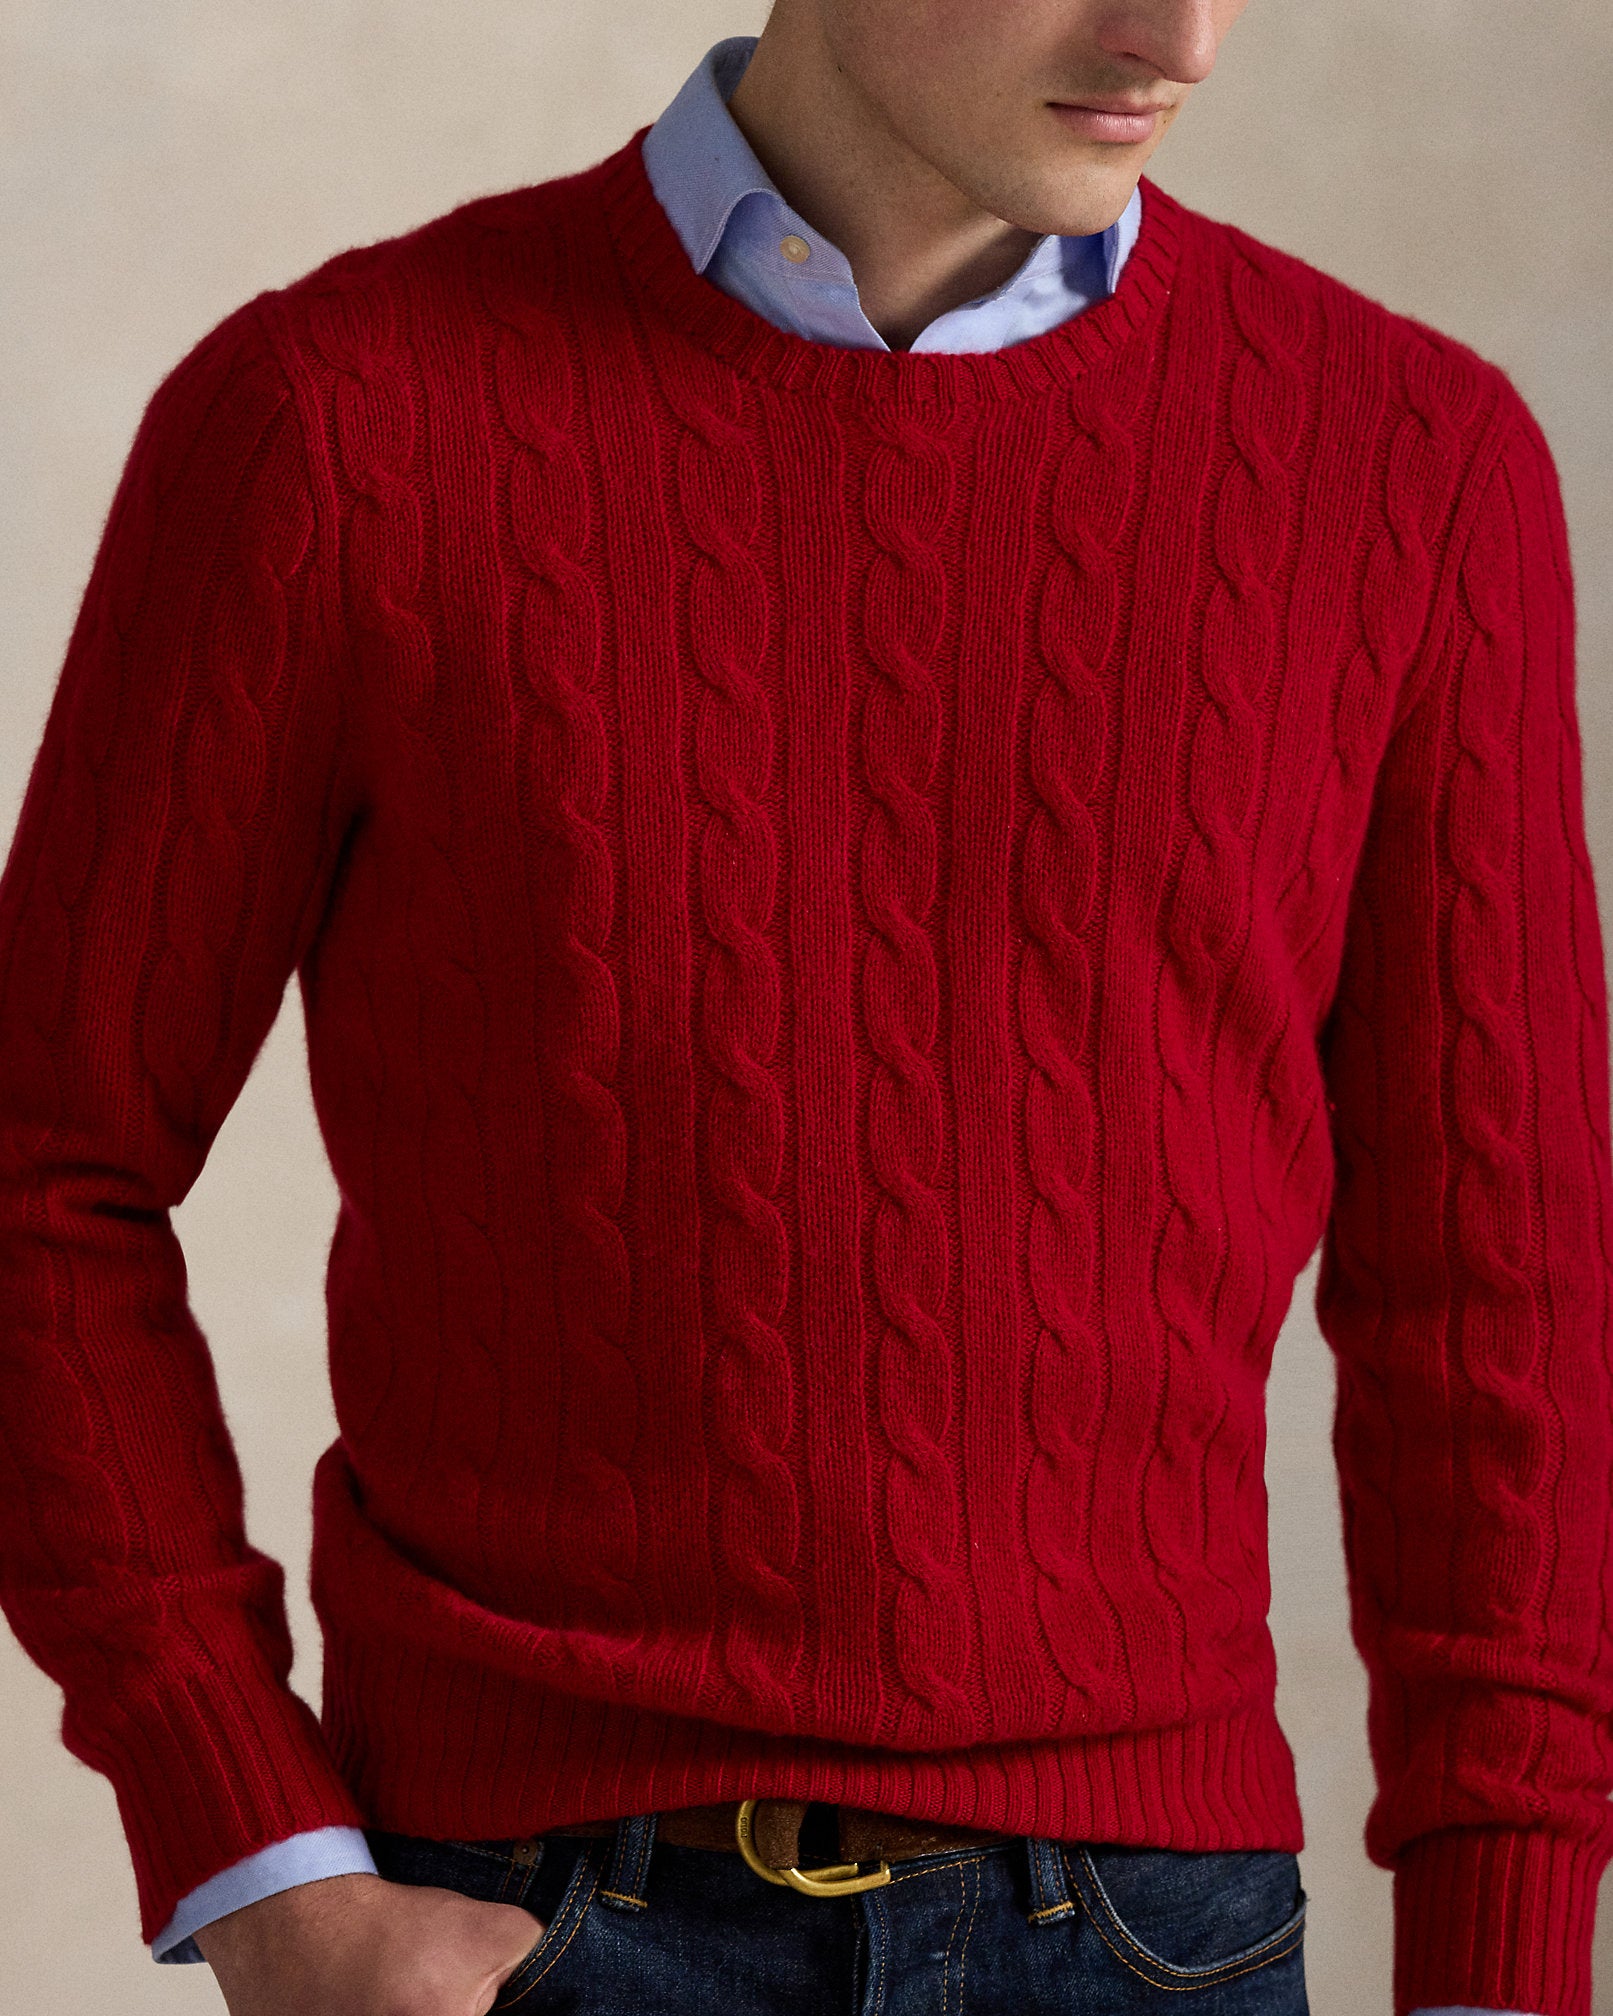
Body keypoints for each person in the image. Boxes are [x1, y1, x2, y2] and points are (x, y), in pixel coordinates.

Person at [0, 0, 1604, 2011]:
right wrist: (256, 1854)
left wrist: (1501, 1960)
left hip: (1156, 1940)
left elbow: (1498, 1290)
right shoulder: (335, 417)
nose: (1180, 39)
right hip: (527, 1923)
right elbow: (43, 1173)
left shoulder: (1412, 461)